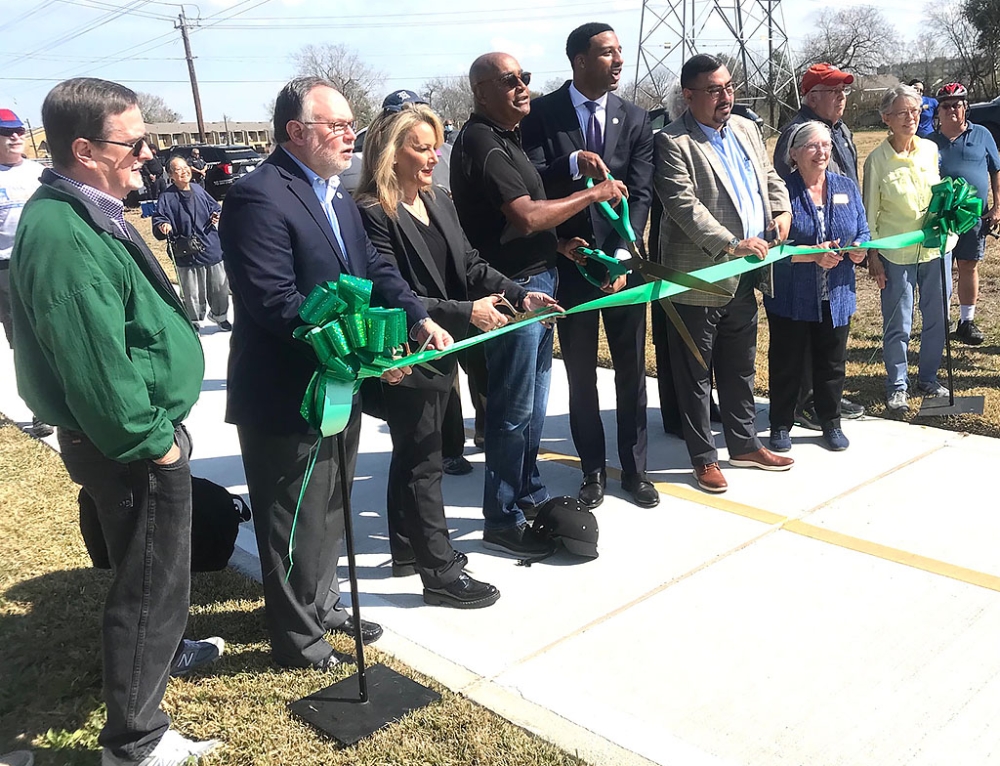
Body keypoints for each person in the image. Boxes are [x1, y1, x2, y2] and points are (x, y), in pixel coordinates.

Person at [9, 77, 222, 766]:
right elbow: (95, 363)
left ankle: (168, 659)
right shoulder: (64, 233)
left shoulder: (84, 209)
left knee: (154, 577)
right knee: (148, 585)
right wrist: (153, 444)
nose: (149, 154)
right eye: (134, 142)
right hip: (128, 445)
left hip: (131, 438)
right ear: (84, 148)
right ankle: (136, 741)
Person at [219, 77, 452, 670]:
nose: (352, 134)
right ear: (296, 132)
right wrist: (364, 354)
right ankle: (298, 638)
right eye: (337, 125)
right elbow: (276, 302)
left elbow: (373, 268)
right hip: (288, 390)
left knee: (329, 505)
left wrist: (414, 318)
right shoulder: (258, 197)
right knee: (291, 515)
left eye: (352, 123)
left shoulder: (338, 195)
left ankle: (321, 605)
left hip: (339, 384)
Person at [357, 105, 558, 605]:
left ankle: (408, 549)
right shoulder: (369, 212)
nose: (434, 155)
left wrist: (518, 292)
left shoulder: (438, 199)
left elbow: (470, 264)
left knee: (413, 454)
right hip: (405, 350)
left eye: (435, 145)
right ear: (390, 153)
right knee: (423, 460)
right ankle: (439, 572)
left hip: (443, 345)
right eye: (420, 147)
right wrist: (466, 312)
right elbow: (389, 291)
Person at [451, 51, 624, 554]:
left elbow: (514, 222)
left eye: (525, 78)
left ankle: (526, 492)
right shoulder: (482, 142)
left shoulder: (508, 139)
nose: (523, 86)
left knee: (531, 406)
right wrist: (593, 196)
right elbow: (525, 216)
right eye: (510, 80)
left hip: (537, 280)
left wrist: (559, 245)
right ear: (481, 91)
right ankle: (502, 518)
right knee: (511, 410)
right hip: (511, 294)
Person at [521, 22, 658, 509]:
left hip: (622, 267)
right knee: (580, 374)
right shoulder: (540, 114)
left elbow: (640, 193)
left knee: (630, 372)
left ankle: (636, 470)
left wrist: (623, 252)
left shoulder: (637, 118)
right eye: (607, 52)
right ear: (579, 60)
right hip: (571, 266)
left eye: (620, 51)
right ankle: (593, 472)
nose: (618, 59)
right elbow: (532, 181)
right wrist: (573, 168)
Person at [654, 54, 794, 494]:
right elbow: (682, 206)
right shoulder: (672, 142)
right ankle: (703, 458)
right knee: (696, 375)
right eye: (714, 90)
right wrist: (732, 244)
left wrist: (781, 207)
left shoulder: (748, 128)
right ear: (689, 95)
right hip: (699, 277)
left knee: (739, 367)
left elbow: (768, 174)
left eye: (729, 87)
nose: (725, 97)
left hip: (747, 275)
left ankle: (745, 443)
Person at [764, 121, 869, 453]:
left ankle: (831, 422)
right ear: (794, 154)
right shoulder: (782, 191)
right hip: (792, 295)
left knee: (832, 362)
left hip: (836, 294)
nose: (822, 151)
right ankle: (781, 423)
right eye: (812, 145)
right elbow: (771, 249)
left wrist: (860, 249)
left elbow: (863, 230)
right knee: (787, 361)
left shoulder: (845, 186)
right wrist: (811, 257)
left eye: (826, 145)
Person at [864, 84, 953, 412]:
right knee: (898, 323)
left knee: (937, 317)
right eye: (902, 112)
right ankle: (897, 386)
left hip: (936, 250)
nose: (910, 118)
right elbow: (869, 210)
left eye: (915, 111)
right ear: (887, 118)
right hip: (896, 255)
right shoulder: (876, 160)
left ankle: (928, 378)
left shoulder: (930, 149)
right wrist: (873, 255)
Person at [930, 82, 1000, 346]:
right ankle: (941, 319)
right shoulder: (929, 142)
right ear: (938, 111)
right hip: (941, 216)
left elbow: (996, 170)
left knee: (968, 266)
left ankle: (967, 321)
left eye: (956, 105)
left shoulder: (982, 135)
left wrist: (997, 206)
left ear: (965, 108)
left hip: (974, 215)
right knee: (941, 268)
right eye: (945, 106)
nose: (951, 110)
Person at [0, 108, 53, 439]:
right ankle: (39, 409)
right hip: (5, 268)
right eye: (8, 132)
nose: (17, 136)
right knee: (23, 341)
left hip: (43, 262)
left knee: (53, 333)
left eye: (19, 130)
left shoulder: (39, 173)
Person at [152, 155, 231, 331]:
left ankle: (220, 316)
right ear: (171, 175)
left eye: (185, 167)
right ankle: (193, 321)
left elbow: (215, 207)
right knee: (192, 292)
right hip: (186, 250)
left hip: (210, 245)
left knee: (220, 286)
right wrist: (163, 225)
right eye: (178, 169)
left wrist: (216, 214)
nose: (184, 171)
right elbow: (159, 219)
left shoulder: (198, 189)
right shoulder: (167, 197)